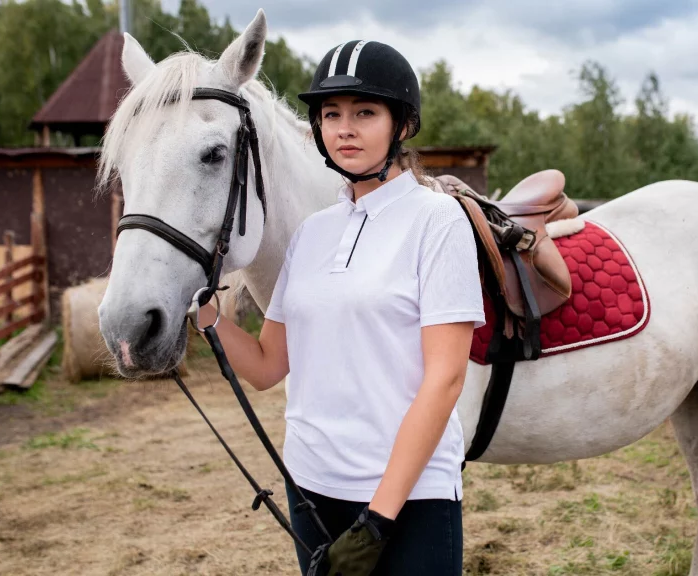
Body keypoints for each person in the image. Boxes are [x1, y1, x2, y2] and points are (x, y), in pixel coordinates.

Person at [196, 39, 485, 576]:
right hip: (310, 487)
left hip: (409, 499)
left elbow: (445, 380)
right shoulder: (312, 233)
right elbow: (265, 367)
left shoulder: (437, 221)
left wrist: (378, 518)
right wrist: (203, 313)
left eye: (365, 113)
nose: (345, 128)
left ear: (402, 126)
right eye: (332, 114)